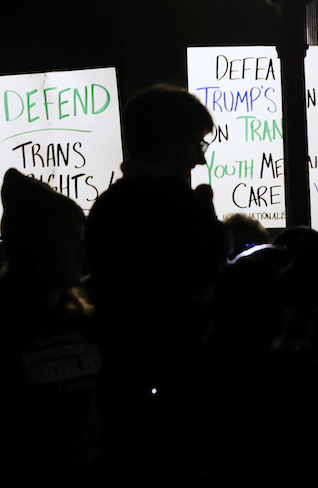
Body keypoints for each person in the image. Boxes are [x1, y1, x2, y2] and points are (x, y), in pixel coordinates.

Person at [83, 84, 226, 474]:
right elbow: (205, 286)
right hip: (179, 381)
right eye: (196, 143)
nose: (199, 158)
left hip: (119, 382)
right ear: (169, 141)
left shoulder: (108, 206)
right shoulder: (181, 208)